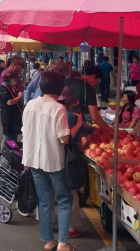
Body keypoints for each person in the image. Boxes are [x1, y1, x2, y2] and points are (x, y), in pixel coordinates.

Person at [22, 71, 73, 251]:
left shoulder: (29, 105)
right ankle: (63, 243)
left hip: (33, 160)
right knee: (64, 199)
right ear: (59, 88)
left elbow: (25, 132)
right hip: (53, 160)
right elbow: (64, 138)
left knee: (44, 201)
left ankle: (48, 240)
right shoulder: (59, 108)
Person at [57, 86, 85, 239]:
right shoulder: (68, 114)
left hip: (47, 156)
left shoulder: (52, 111)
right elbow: (67, 138)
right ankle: (71, 228)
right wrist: (80, 124)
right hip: (64, 157)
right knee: (70, 194)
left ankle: (46, 223)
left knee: (50, 191)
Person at [64, 65, 111, 133]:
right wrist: (109, 130)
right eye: (96, 81)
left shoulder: (66, 81)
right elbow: (95, 117)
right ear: (93, 76)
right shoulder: (88, 89)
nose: (95, 84)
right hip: (73, 121)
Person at [0, 68, 24, 143]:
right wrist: (19, 97)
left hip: (14, 116)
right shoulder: (3, 88)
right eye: (14, 78)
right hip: (8, 116)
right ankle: (5, 152)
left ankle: (13, 152)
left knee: (14, 136)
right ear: (8, 78)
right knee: (7, 136)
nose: (15, 80)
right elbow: (9, 102)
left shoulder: (12, 87)